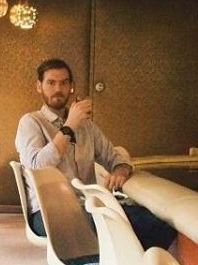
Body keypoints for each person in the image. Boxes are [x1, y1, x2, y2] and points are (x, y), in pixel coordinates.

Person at [15, 57, 177, 251]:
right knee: (121, 225)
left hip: (88, 205)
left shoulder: (86, 127)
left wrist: (121, 169)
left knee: (159, 224)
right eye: (51, 83)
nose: (58, 89)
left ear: (71, 87)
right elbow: (37, 167)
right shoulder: (31, 122)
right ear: (39, 86)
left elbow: (114, 157)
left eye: (64, 83)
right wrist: (69, 127)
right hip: (48, 212)